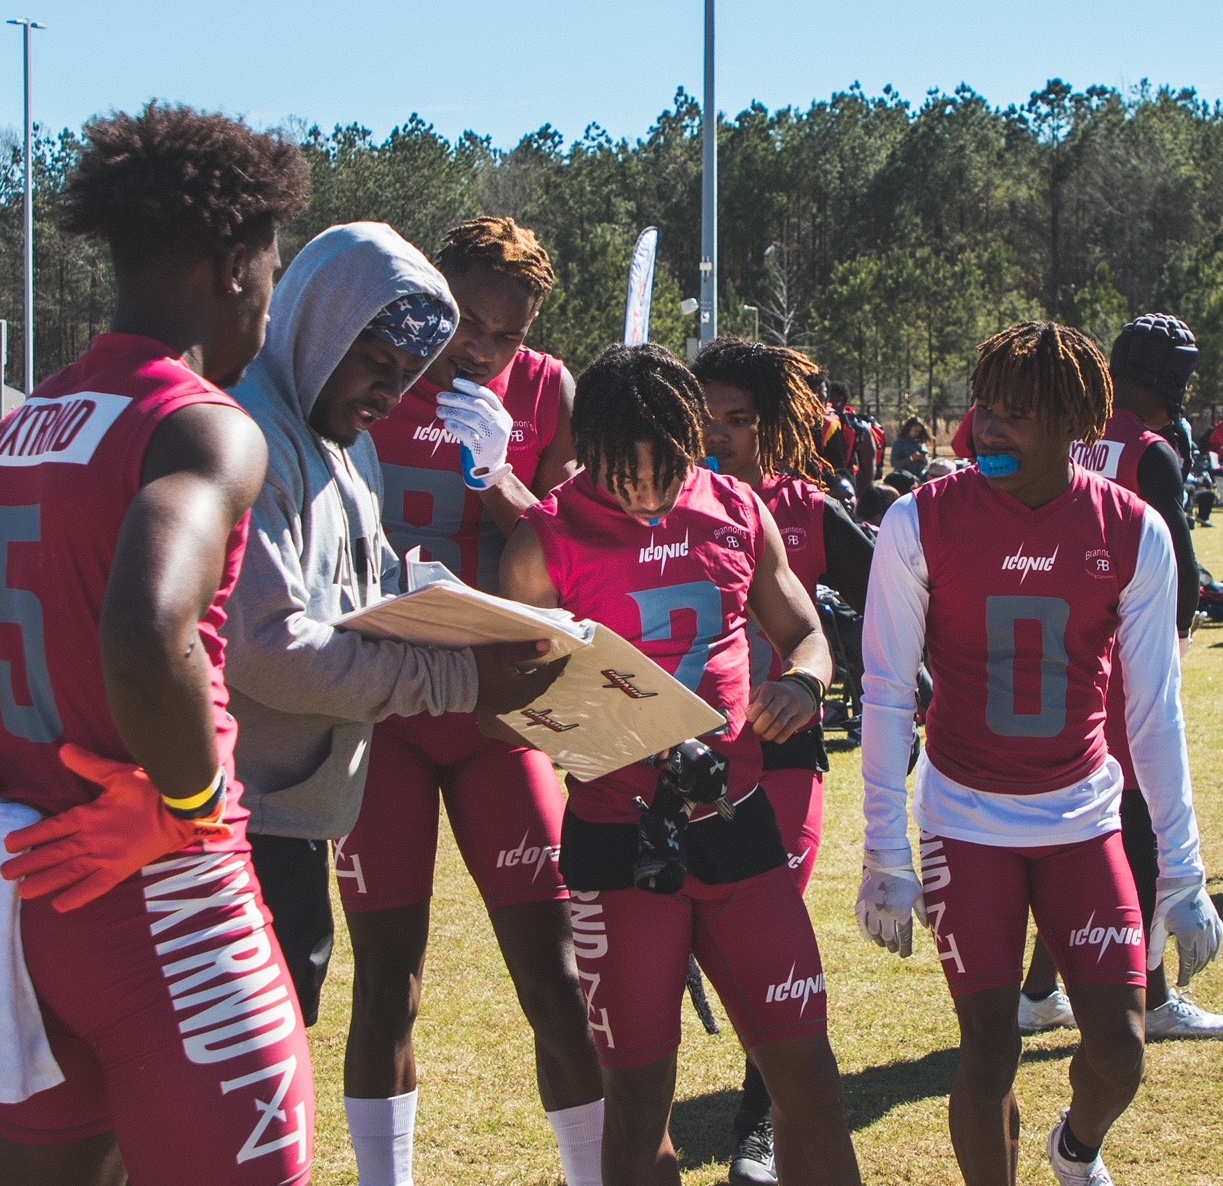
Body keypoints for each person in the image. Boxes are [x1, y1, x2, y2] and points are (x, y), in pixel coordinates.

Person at [0, 102, 317, 1185]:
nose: (271, 309)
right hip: (171, 902)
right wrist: (187, 800)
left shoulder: (27, 426)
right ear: (236, 264)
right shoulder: (199, 422)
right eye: (275, 274)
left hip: (38, 899)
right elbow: (147, 632)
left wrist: (10, 740)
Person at [858, 321, 1223, 1186]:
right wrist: (884, 852)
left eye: (1017, 415)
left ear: (1077, 426)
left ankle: (1075, 1149)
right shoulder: (921, 520)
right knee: (987, 1048)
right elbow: (884, 692)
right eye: (985, 407)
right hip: (964, 815)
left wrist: (1183, 870)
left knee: (1123, 1050)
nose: (988, 429)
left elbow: (1155, 714)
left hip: (1081, 816)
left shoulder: (1134, 532)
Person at [502, 343, 863, 1186]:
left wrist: (805, 685)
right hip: (619, 842)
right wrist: (590, 721)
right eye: (623, 473)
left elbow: (805, 634)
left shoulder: (736, 507)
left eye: (665, 467)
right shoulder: (545, 535)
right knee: (637, 1101)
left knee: (808, 1080)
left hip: (738, 829)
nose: (647, 491)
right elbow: (499, 701)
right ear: (586, 451)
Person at [341, 216, 604, 1186]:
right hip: (381, 708)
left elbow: (568, 570)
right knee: (386, 985)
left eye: (507, 331)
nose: (482, 346)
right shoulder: (368, 364)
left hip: (497, 715)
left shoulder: (542, 391)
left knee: (556, 983)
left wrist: (498, 480)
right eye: (465, 320)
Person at [1018, 313, 1223, 1041]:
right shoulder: (1153, 454)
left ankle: (1035, 993)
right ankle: (1150, 993)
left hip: (1057, 656)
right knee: (1134, 826)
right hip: (1123, 664)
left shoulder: (1064, 437)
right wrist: (1174, 650)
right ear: (1172, 381)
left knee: (1078, 822)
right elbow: (1175, 571)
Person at [693, 337, 874, 1186]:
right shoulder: (660, 502)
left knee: (772, 934)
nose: (720, 434)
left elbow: (896, 595)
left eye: (739, 420)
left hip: (787, 752)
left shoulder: (808, 509)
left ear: (775, 427)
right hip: (684, 760)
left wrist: (878, 680)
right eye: (707, 418)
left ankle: (755, 1131)